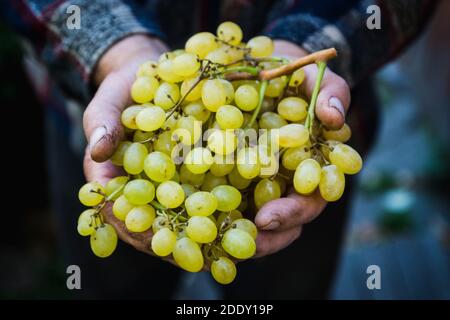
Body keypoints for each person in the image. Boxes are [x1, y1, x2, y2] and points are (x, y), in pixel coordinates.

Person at [1, 0, 438, 299]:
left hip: (302, 152)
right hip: (94, 120)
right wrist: (115, 47)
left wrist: (312, 42)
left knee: (285, 287)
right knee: (111, 287)